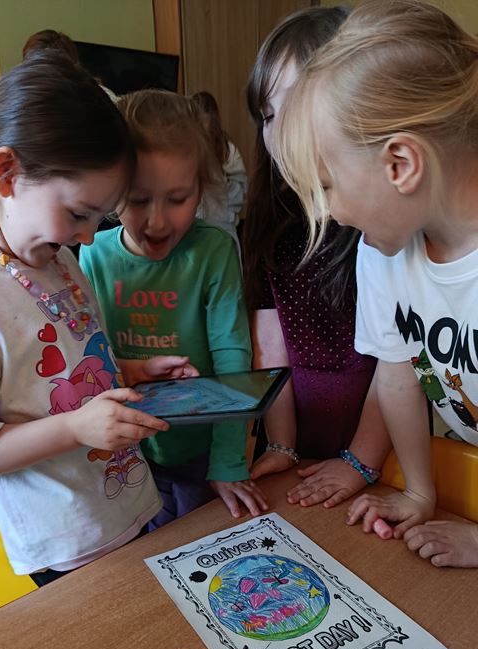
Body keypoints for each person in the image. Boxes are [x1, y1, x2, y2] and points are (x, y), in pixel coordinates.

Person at [0, 53, 196, 586]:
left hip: (126, 502)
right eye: (79, 214)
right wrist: (75, 428)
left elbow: (61, 366)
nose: (86, 237)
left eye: (99, 218)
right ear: (7, 174)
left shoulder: (54, 256)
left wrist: (131, 371)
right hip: (66, 542)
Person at [274, 0, 478, 567]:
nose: (328, 213)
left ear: (400, 165)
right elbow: (398, 375)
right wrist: (419, 492)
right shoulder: (382, 254)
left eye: (326, 186)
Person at [80, 89, 267, 525]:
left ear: (202, 189)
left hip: (200, 450)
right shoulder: (93, 254)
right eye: (138, 199)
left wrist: (228, 460)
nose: (158, 222)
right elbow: (90, 358)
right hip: (123, 454)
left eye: (178, 199)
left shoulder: (214, 251)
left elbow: (232, 358)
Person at [243, 6, 390, 510]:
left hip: (383, 443)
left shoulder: (382, 223)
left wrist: (361, 458)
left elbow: (399, 362)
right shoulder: (268, 223)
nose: (278, 132)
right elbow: (270, 350)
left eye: (294, 109)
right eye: (267, 116)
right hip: (291, 439)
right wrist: (282, 444)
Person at [191, 91, 247, 243]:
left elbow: (240, 192)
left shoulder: (227, 150)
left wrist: (218, 181)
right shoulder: (185, 150)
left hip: (223, 227)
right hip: (194, 228)